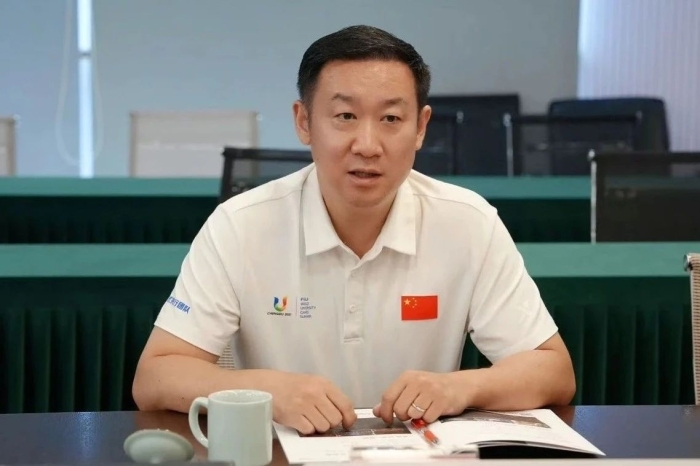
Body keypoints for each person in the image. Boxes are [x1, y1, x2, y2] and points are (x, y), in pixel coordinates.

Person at [132, 24, 575, 435]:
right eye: (345, 116)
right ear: (304, 122)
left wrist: (459, 387)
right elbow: (155, 376)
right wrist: (269, 390)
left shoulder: (468, 223)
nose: (367, 145)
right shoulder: (239, 225)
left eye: (391, 119)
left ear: (421, 128)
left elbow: (553, 371)